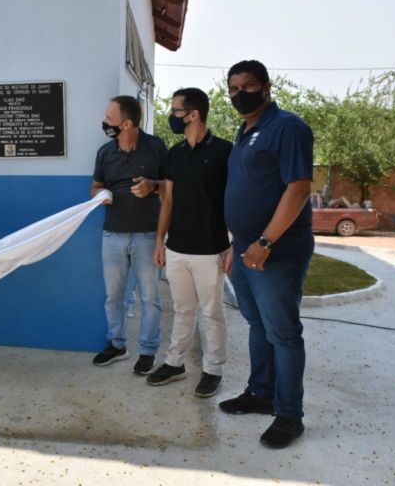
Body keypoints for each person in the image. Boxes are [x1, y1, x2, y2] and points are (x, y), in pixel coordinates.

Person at [219, 60, 314, 449]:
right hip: (243, 248)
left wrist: (266, 242)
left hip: (276, 251)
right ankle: (260, 393)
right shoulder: (244, 133)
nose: (241, 93)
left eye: (249, 86)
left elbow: (299, 188)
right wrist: (235, 243)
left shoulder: (286, 127)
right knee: (258, 326)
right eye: (234, 88)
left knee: (283, 334)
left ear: (267, 87)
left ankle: (289, 415)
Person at [147, 88, 232, 398]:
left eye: (175, 110)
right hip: (177, 248)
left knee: (212, 313)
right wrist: (160, 241)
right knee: (183, 311)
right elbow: (167, 200)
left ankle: (213, 369)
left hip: (211, 249)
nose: (171, 116)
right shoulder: (175, 154)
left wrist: (234, 243)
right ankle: (175, 363)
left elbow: (234, 201)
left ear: (193, 114)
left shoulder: (225, 152)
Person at [90, 95, 165, 375]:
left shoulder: (156, 148)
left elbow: (171, 188)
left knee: (150, 297)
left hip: (148, 235)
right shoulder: (105, 152)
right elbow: (94, 188)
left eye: (110, 118)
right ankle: (117, 344)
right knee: (114, 296)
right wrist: (102, 194)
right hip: (112, 236)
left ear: (128, 123)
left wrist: (152, 185)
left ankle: (147, 351)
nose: (105, 122)